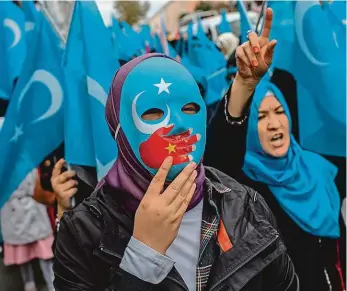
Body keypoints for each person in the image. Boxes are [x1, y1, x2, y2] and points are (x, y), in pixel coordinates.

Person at [53, 52, 298, 291]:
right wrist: (143, 256)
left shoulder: (244, 203)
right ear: (120, 129)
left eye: (190, 108)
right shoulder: (83, 232)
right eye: (153, 113)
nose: (179, 124)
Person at [205, 7, 345, 291]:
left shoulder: (318, 167)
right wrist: (244, 84)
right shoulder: (246, 189)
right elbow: (219, 156)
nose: (273, 124)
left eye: (279, 112)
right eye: (261, 116)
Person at [0, 170, 55, 291]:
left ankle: (44, 284)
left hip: (22, 210)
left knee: (39, 254)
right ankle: (43, 284)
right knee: (35, 254)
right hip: (20, 210)